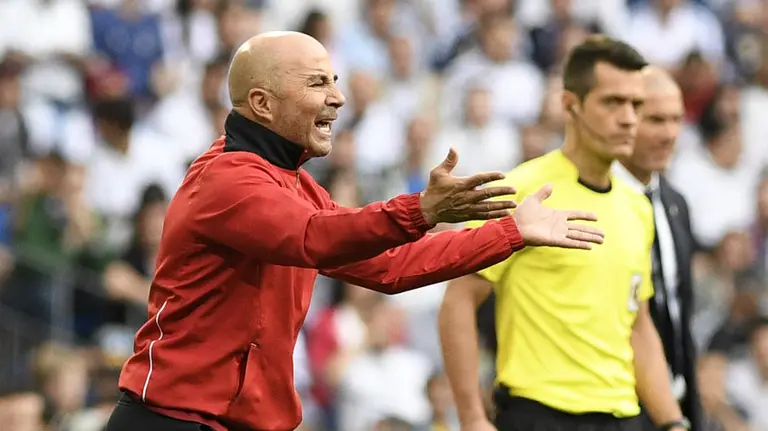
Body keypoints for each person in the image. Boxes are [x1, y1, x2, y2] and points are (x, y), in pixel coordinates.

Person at [104, 31, 605, 431]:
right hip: (171, 420)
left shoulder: (293, 185)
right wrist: (421, 210)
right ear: (262, 102)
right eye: (318, 83)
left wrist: (510, 233)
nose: (338, 98)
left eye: (335, 80)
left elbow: (390, 266)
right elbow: (315, 237)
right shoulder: (227, 179)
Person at [439, 36, 691, 431]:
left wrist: (673, 422)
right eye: (613, 102)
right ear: (570, 105)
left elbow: (637, 325)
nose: (629, 118)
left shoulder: (637, 207)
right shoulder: (522, 188)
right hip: (538, 414)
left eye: (636, 105)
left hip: (623, 417)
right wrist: (471, 416)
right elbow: (458, 300)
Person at [613, 66, 703, 430]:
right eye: (656, 120)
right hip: (616, 409)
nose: (669, 134)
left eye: (676, 120)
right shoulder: (593, 204)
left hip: (673, 409)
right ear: (626, 121)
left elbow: (681, 313)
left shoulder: (676, 204)